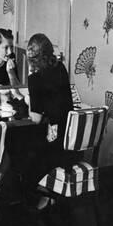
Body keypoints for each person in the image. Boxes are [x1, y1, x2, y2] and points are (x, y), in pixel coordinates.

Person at [25, 33, 76, 210]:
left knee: (21, 147)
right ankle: (49, 192)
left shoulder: (35, 78)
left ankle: (42, 192)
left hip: (54, 145)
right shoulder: (60, 67)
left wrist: (30, 96)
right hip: (70, 139)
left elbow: (36, 118)